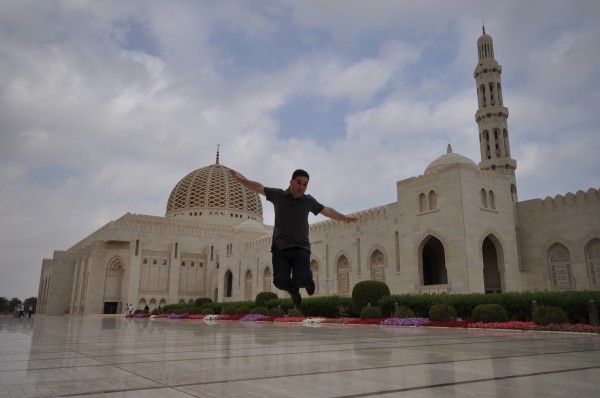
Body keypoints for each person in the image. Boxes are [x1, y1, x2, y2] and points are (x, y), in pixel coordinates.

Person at [230, 168, 358, 309]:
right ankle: (293, 290)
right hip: (280, 249)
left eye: (305, 184)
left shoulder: (308, 201)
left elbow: (326, 210)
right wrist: (241, 180)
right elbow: (259, 187)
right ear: (291, 182)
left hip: (300, 247)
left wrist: (344, 218)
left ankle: (308, 281)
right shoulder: (278, 195)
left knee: (302, 279)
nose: (301, 187)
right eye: (299, 182)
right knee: (280, 283)